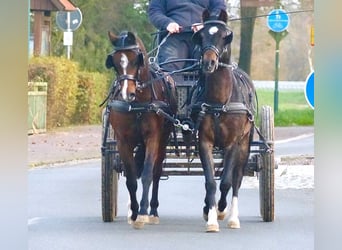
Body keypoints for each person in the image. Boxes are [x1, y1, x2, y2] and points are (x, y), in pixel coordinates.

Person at [148, 0, 227, 84]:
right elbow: (155, 11)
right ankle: (174, 94)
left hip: (203, 37)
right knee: (170, 68)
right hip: (174, 36)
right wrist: (167, 23)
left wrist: (206, 23)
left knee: (211, 67)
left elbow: (219, 8)